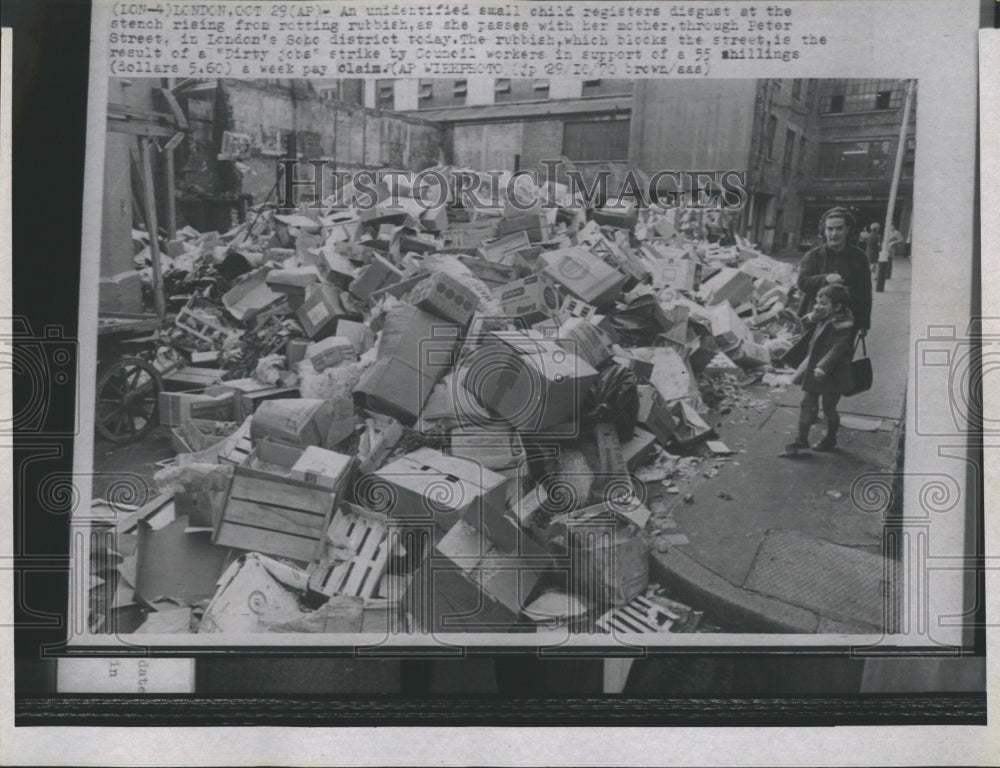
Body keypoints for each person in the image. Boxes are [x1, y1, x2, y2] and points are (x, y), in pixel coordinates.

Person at [782, 283, 856, 455]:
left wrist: (823, 367)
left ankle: (830, 438)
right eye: (817, 301)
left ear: (837, 306)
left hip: (832, 371)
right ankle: (801, 440)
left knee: (829, 407)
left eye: (823, 303)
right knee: (806, 402)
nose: (818, 306)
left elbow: (838, 348)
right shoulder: (824, 316)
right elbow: (805, 324)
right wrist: (813, 316)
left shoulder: (842, 324)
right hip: (814, 366)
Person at [796, 207, 872, 341]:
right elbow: (802, 282)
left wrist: (864, 323)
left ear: (847, 229)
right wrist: (825, 278)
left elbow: (864, 292)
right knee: (809, 358)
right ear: (824, 230)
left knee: (840, 359)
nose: (834, 233)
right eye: (829, 229)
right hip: (815, 319)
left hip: (846, 324)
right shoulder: (813, 256)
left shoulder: (859, 257)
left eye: (839, 228)